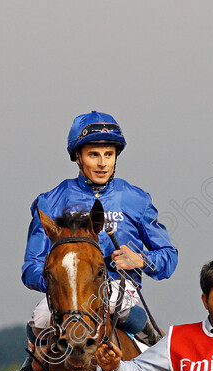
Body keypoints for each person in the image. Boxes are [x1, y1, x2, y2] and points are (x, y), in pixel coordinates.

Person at [22, 110, 178, 345]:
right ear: (78, 157)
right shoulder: (50, 201)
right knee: (42, 316)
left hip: (119, 287)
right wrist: (63, 281)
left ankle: (154, 348)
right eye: (94, 155)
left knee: (117, 304)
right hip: (66, 296)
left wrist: (142, 260)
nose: (103, 163)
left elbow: (169, 257)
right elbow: (30, 267)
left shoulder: (136, 199)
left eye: (109, 154)